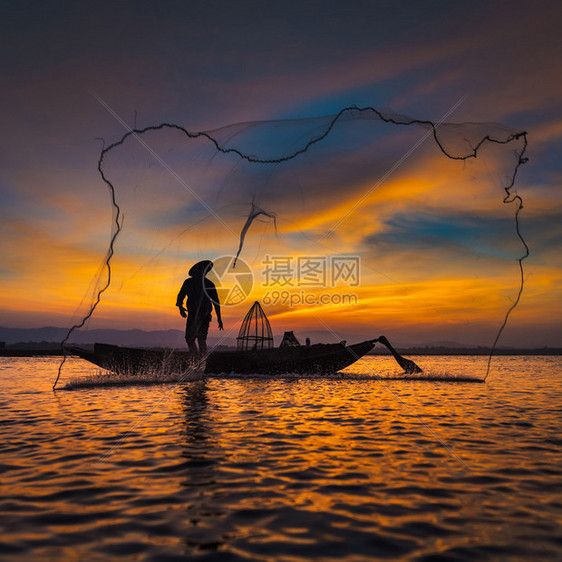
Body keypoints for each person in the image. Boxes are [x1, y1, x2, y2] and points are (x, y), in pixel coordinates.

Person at [176, 260, 223, 354]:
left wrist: (219, 318)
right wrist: (180, 307)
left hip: (204, 316)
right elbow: (180, 296)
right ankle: (195, 358)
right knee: (189, 338)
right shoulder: (189, 282)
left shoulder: (209, 284)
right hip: (192, 315)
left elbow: (216, 302)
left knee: (201, 339)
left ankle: (201, 361)